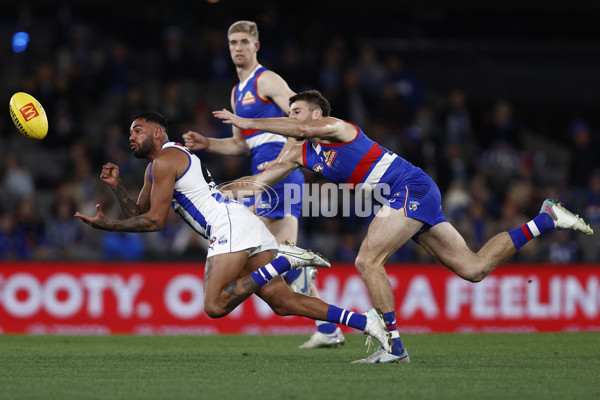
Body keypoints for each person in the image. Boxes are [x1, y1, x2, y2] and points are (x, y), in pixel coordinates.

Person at [209, 90, 594, 363]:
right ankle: (547, 218)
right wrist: (211, 195)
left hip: (409, 188)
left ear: (314, 114)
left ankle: (393, 347)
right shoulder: (298, 151)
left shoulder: (335, 126)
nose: (290, 117)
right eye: (287, 112)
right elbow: (259, 184)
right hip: (408, 195)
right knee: (474, 269)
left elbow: (305, 131)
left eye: (295, 111)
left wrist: (247, 121)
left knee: (367, 261)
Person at [74, 112, 391, 357]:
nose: (131, 136)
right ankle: (366, 322)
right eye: (131, 131)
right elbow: (138, 214)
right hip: (239, 221)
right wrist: (116, 189)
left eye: (137, 130)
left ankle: (286, 260)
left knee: (214, 305)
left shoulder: (166, 160)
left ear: (157, 133)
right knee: (281, 302)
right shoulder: (157, 165)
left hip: (227, 225)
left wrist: (106, 226)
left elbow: (155, 223)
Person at [183, 20, 344, 349]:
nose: (238, 47)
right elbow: (242, 145)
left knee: (264, 255)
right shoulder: (236, 91)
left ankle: (306, 277)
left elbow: (300, 120)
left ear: (256, 46)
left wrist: (286, 157)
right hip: (264, 173)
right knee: (272, 259)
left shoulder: (266, 79)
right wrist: (207, 143)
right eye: (232, 42)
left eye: (244, 41)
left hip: (278, 175)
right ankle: (325, 321)